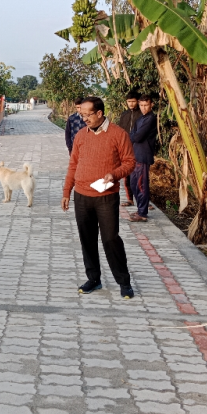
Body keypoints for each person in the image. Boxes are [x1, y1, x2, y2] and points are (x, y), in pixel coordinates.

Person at [62, 97, 136, 299]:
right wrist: (67, 191)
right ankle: (93, 279)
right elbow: (73, 165)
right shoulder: (81, 135)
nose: (84, 119)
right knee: (87, 239)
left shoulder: (118, 134)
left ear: (99, 113)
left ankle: (124, 282)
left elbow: (130, 162)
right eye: (82, 115)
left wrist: (115, 174)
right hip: (82, 196)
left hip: (106, 196)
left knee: (111, 239)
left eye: (88, 115)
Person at [128, 94, 158, 222]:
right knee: (133, 183)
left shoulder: (151, 118)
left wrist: (134, 136)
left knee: (141, 185)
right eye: (141, 105)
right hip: (136, 155)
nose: (143, 108)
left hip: (143, 155)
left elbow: (137, 136)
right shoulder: (140, 118)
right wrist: (133, 136)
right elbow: (132, 134)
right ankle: (140, 209)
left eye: (146, 105)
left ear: (151, 105)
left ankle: (142, 213)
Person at [116, 91, 142, 206]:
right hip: (125, 149)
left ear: (138, 101)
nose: (131, 104)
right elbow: (120, 131)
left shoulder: (142, 115)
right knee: (126, 175)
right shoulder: (124, 115)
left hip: (138, 148)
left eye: (133, 101)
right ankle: (130, 199)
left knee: (140, 175)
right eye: (129, 101)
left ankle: (143, 200)